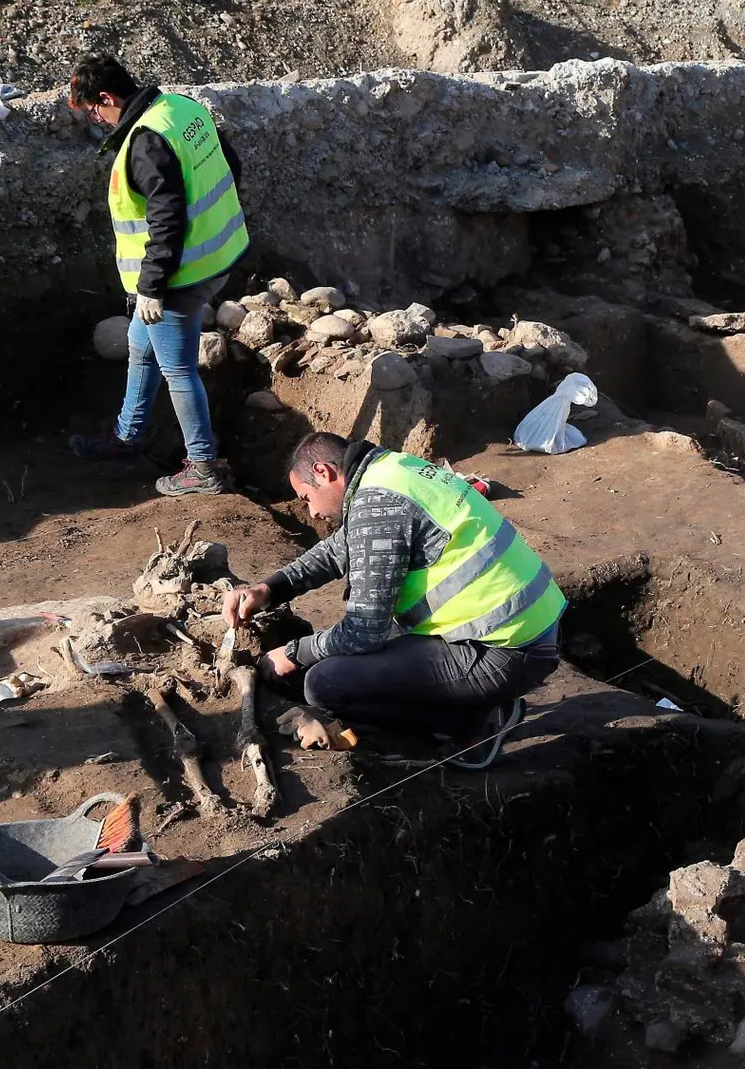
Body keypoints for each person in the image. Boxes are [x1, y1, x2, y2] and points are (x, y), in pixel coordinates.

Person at [220, 433, 565, 769]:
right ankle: (478, 703)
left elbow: (363, 632)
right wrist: (270, 588)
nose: (310, 513)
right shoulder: (392, 471)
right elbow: (338, 549)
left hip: (505, 653)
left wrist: (294, 652)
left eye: (306, 497)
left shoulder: (378, 503)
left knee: (324, 684)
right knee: (359, 651)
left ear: (324, 473)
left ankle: (474, 721)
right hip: (526, 629)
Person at [66, 55, 250, 497]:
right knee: (139, 345)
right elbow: (230, 163)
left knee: (178, 369)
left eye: (93, 110)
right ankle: (128, 436)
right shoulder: (181, 108)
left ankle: (203, 467)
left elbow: (166, 218)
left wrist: (152, 287)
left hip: (177, 277)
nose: (96, 120)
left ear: (107, 98)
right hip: (214, 255)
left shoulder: (145, 142)